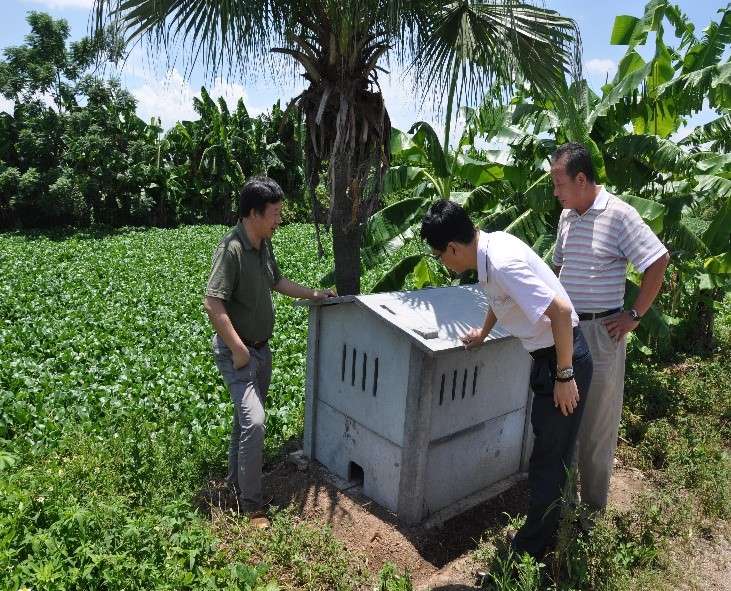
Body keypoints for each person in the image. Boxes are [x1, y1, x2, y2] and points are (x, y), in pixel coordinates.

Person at [421, 200, 593, 561]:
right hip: (550, 358)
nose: (443, 263)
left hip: (561, 358)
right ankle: (552, 531)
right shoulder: (490, 251)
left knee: (547, 459)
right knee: (550, 448)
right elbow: (501, 299)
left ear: (453, 248)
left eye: (439, 255)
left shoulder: (501, 262)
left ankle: (528, 554)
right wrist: (483, 333)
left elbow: (560, 312)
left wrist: (565, 375)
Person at [204, 177, 334, 528]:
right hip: (241, 354)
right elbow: (212, 302)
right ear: (253, 213)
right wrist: (239, 349)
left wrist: (315, 294)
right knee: (255, 422)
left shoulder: (263, 245)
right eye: (275, 214)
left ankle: (235, 482)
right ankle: (251, 506)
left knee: (245, 423)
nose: (279, 220)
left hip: (262, 351)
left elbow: (277, 282)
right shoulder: (231, 249)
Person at [551, 143, 669, 514]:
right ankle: (563, 506)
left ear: (581, 179)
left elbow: (657, 259)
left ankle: (592, 511)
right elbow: (558, 269)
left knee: (597, 426)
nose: (555, 192)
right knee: (563, 420)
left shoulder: (619, 214)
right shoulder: (567, 218)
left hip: (603, 333)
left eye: (559, 182)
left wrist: (634, 315)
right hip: (566, 332)